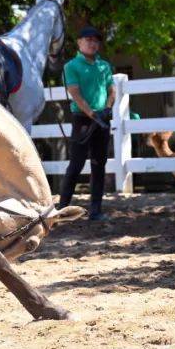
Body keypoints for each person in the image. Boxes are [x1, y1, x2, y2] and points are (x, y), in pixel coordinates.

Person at [57, 26, 116, 221]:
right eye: (88, 40)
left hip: (101, 118)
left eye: (95, 41)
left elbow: (112, 90)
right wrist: (92, 114)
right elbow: (75, 93)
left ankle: (96, 210)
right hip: (83, 119)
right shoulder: (71, 66)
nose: (92, 43)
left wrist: (107, 109)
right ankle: (62, 209)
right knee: (76, 164)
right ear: (79, 43)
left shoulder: (104, 66)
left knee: (99, 164)